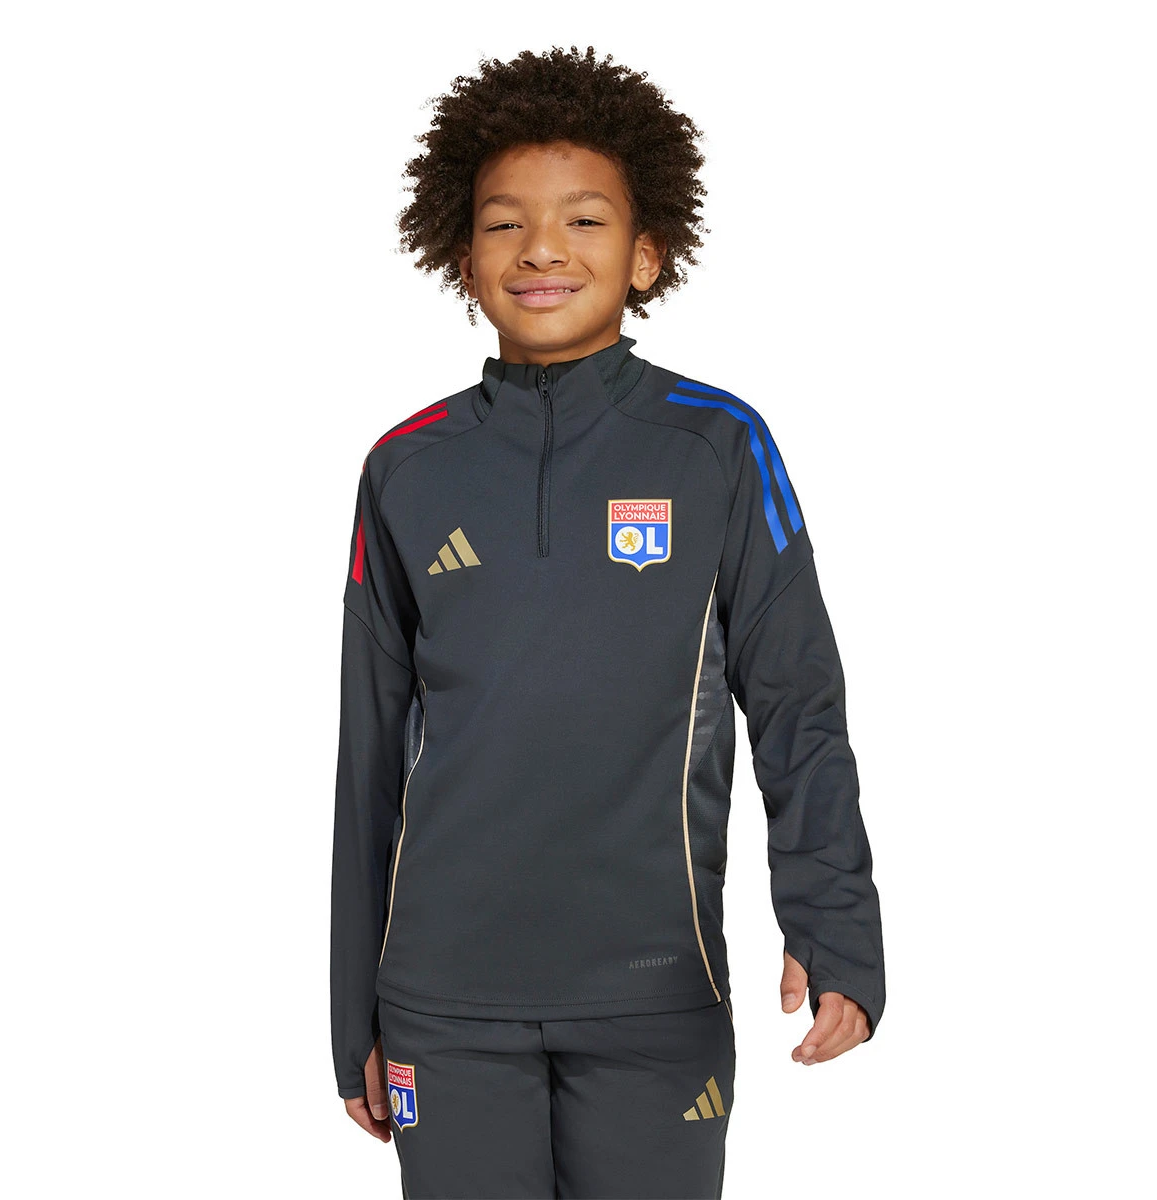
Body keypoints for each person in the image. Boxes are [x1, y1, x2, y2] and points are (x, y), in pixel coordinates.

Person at [331, 44, 885, 1200]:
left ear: (646, 254)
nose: (543, 249)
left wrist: (835, 928)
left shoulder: (717, 446)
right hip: (444, 1005)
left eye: (583, 220)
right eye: (505, 224)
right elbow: (369, 756)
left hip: (656, 1000)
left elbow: (797, 702)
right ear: (460, 254)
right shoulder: (405, 467)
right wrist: (351, 1013)